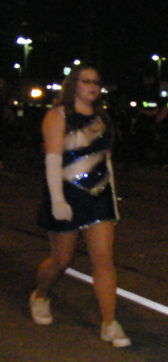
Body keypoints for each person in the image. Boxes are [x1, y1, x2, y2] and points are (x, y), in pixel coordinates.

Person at [29, 65, 130, 347]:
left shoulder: (102, 118)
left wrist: (112, 199)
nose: (93, 86)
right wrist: (58, 201)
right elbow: (52, 161)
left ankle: (109, 323)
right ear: (73, 85)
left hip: (99, 197)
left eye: (97, 82)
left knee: (104, 259)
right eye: (87, 81)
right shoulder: (57, 115)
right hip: (67, 194)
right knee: (61, 259)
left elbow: (106, 161)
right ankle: (40, 294)